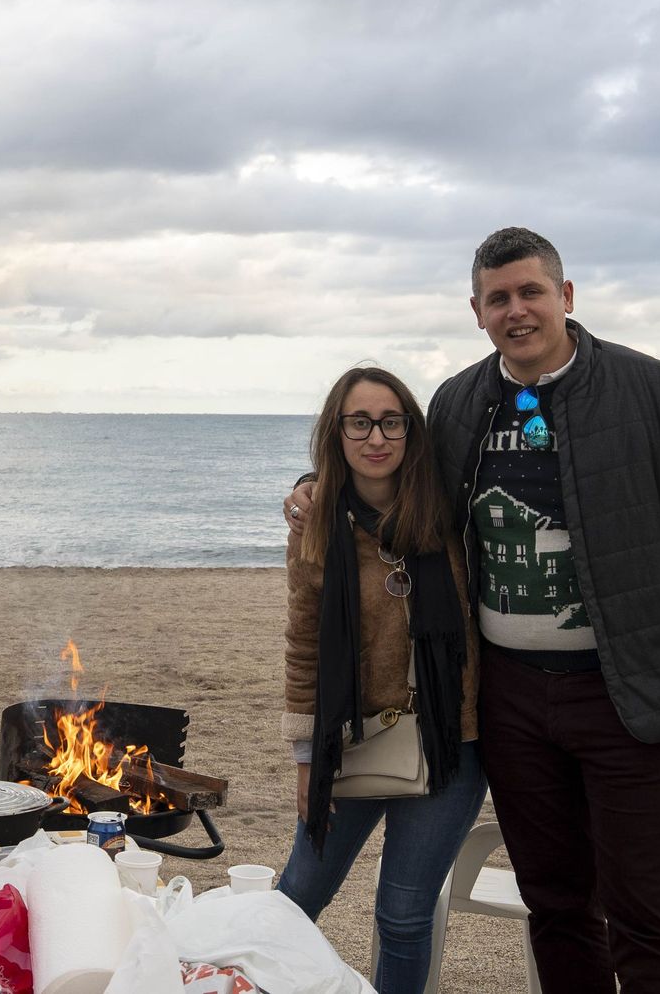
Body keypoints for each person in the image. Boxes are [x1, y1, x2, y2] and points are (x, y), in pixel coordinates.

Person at [285, 227, 660, 993]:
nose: (516, 310)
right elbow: (395, 485)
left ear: (566, 297)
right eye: (498, 298)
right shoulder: (460, 403)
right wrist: (316, 488)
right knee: (555, 904)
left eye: (531, 292)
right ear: (477, 312)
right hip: (513, 700)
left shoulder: (659, 392)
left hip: (642, 694)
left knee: (648, 911)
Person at [276, 369, 482, 994]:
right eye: (359, 422)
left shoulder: (451, 511)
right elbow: (304, 646)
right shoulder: (316, 524)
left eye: (391, 421)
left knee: (404, 915)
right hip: (353, 737)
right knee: (293, 898)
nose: (376, 437)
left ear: (410, 430)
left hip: (453, 743)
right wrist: (309, 758)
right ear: (335, 432)